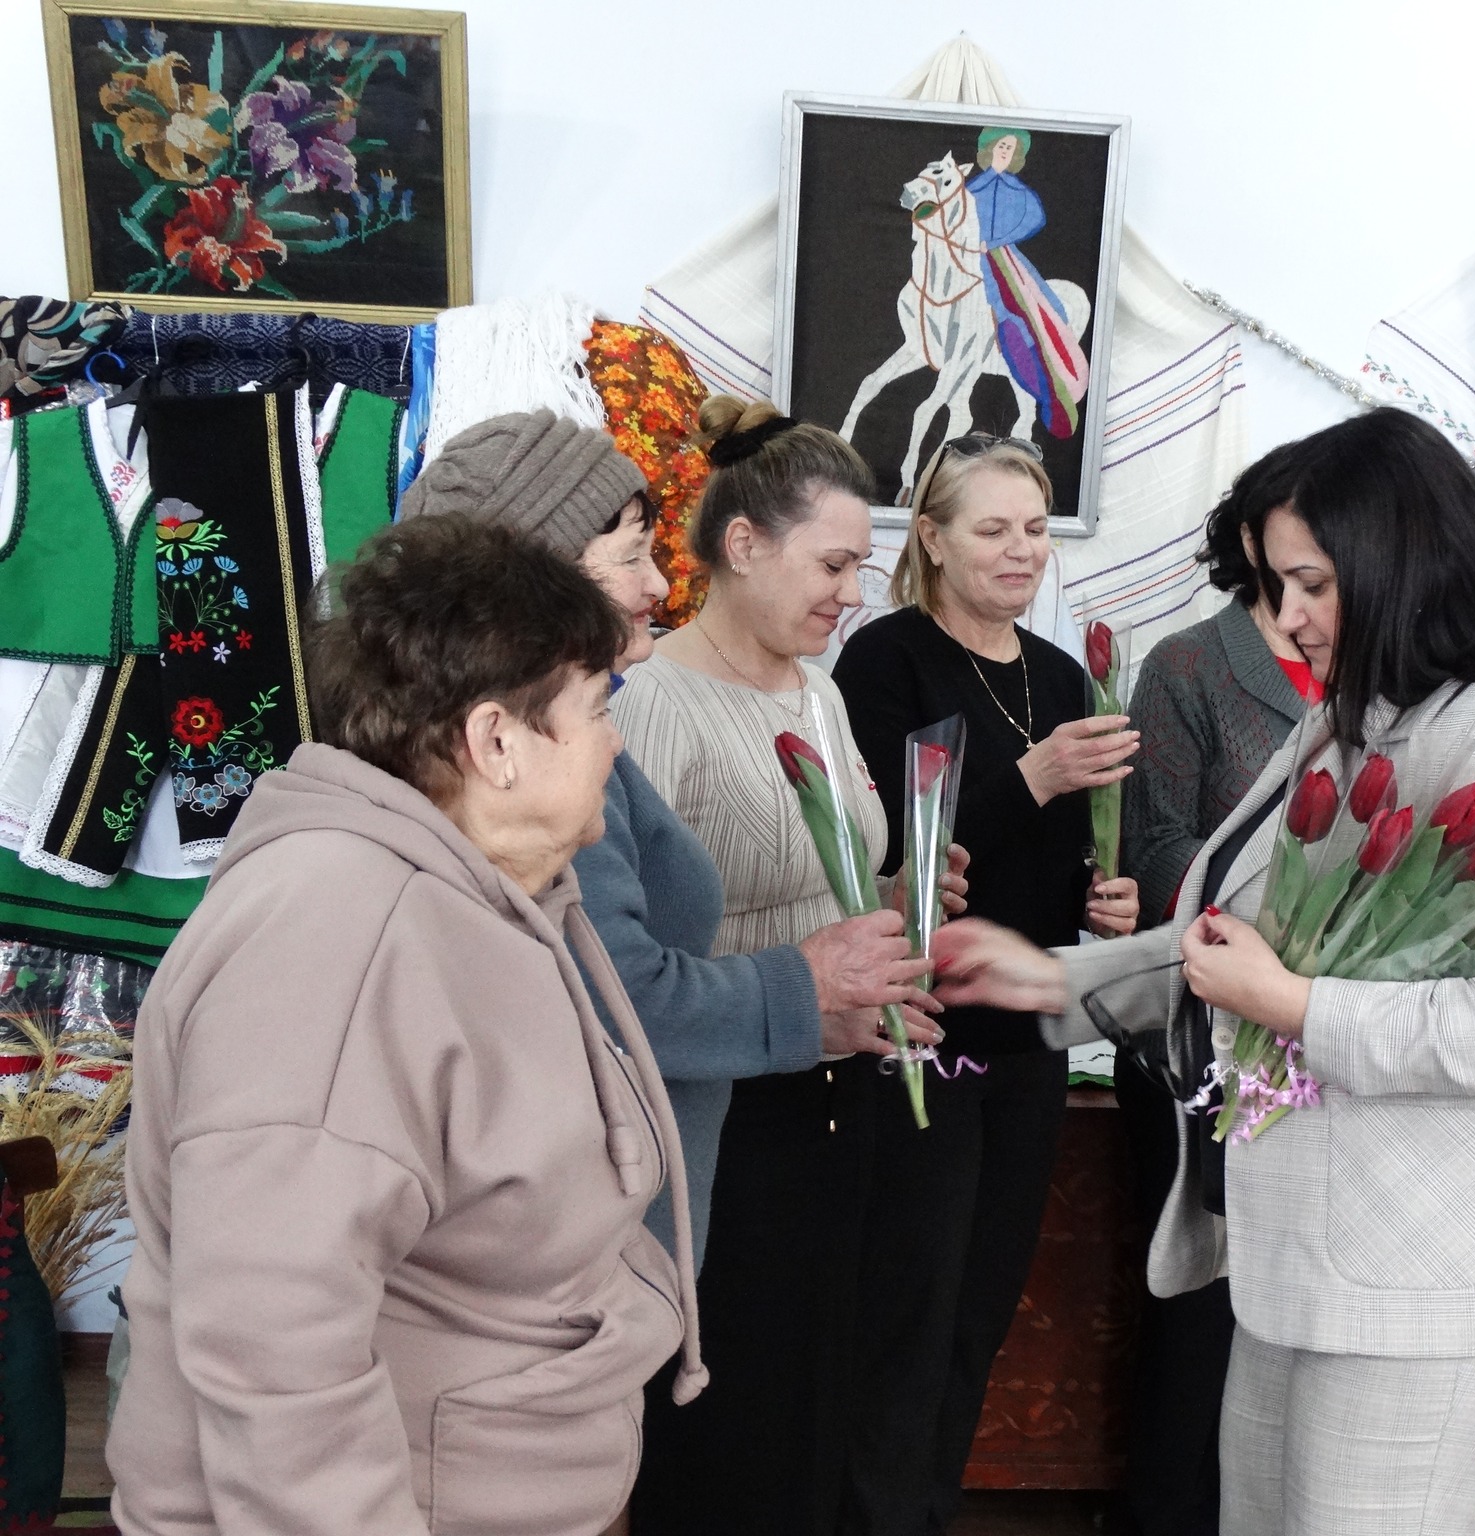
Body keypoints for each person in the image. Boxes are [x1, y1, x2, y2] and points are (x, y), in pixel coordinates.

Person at [928, 408, 1475, 1535]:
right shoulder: (1346, 724)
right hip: (1307, 1260)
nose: (1287, 619)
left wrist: (1292, 1006)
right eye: (1273, 586)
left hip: (1430, 1282)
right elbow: (1234, 947)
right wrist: (1045, 984)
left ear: (1401, 566)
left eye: (1310, 585)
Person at [107, 515, 702, 1536]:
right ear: (496, 741)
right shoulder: (339, 936)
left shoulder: (467, 898)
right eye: (598, 707)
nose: (614, 742)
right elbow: (273, 1346)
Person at [396, 410, 947, 1284]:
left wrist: (874, 924)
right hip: (612, 1190)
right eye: (632, 556)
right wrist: (803, 986)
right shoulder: (548, 757)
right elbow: (613, 990)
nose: (660, 583)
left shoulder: (803, 695)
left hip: (736, 1111)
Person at [831, 430, 1140, 1534]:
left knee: (981, 1306)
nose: (1022, 551)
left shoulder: (1058, 676)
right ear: (930, 536)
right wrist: (1033, 775)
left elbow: (1045, 871)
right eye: (993, 529)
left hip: (1026, 1044)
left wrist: (1104, 900)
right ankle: (873, 1517)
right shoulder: (884, 662)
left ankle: (927, 1510)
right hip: (917, 1033)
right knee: (907, 1307)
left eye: (1035, 529)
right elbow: (887, 854)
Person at [608, 396, 906, 1536]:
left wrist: (899, 899)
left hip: (838, 1096)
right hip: (727, 1119)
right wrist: (808, 978)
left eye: (858, 566)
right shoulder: (650, 704)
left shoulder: (820, 690)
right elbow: (633, 957)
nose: (851, 593)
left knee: (814, 1409)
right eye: (833, 564)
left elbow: (827, 881)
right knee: (731, 1427)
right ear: (742, 544)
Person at [1114, 440, 1319, 1536]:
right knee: (1199, 1309)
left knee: (1290, 1311)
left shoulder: (1378, 671)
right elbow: (1153, 847)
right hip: (1203, 1035)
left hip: (1322, 1043)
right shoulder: (1188, 665)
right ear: (1252, 540)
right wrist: (1272, 942)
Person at [968, 127, 1089, 440]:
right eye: (1002, 144)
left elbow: (1035, 219)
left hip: (1004, 261)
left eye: (1010, 147)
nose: (1005, 150)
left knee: (1023, 314)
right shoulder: (971, 189)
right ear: (990, 148)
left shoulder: (1019, 191)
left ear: (1015, 155)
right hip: (968, 257)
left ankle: (1049, 389)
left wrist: (997, 240)